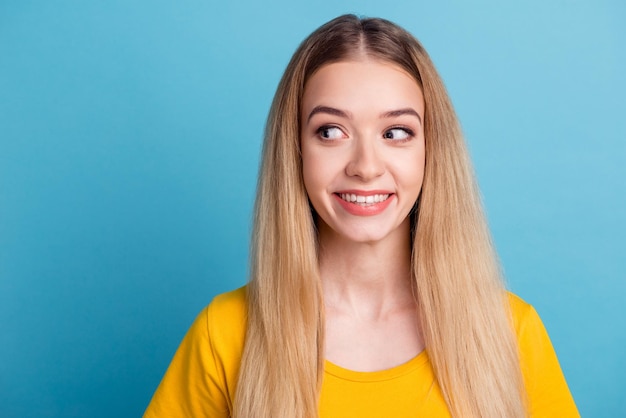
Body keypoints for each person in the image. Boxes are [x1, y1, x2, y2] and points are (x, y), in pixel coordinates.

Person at [144, 14, 579, 417]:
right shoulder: (225, 334)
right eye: (331, 132)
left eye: (396, 132)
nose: (366, 166)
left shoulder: (510, 333)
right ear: (295, 152)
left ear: (431, 151)